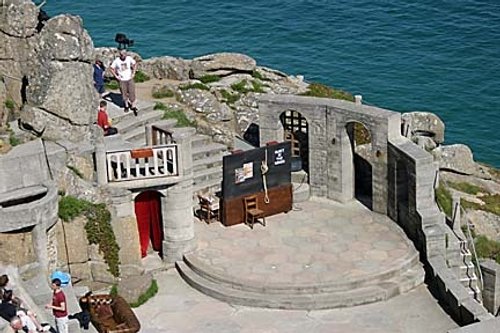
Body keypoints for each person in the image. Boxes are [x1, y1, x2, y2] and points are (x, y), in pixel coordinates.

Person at [110, 50, 138, 114]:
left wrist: (133, 73)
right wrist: (116, 76)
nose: (123, 56)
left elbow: (134, 64)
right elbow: (111, 68)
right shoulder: (117, 60)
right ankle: (126, 106)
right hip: (122, 79)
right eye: (122, 55)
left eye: (124, 54)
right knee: (124, 93)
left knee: (132, 92)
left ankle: (133, 106)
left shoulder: (129, 58)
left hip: (129, 78)